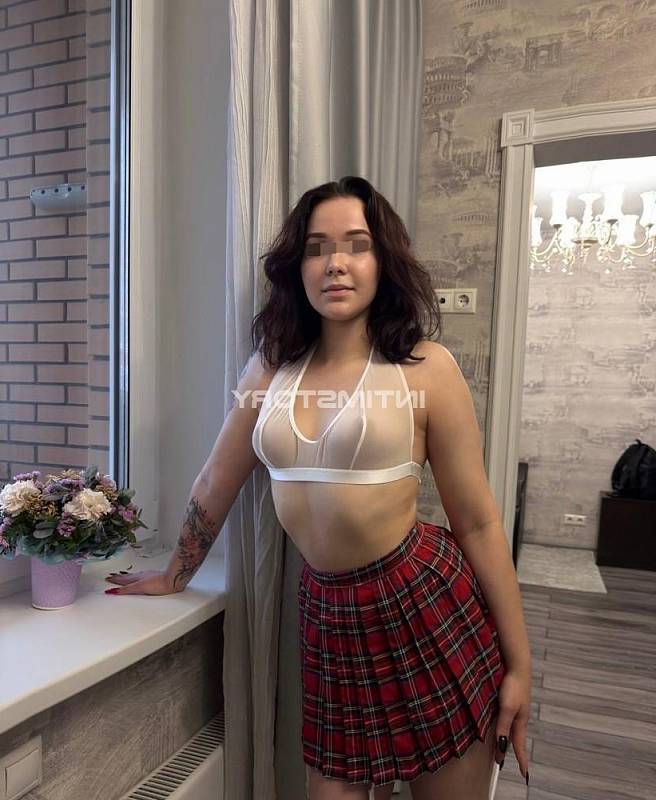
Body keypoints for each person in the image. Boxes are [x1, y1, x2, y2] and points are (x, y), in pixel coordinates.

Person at [105, 176, 532, 799]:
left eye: (357, 244)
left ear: (383, 262)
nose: (336, 262)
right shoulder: (270, 369)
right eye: (316, 247)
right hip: (331, 617)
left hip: (425, 604)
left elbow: (479, 523)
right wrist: (175, 573)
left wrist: (520, 664)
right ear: (298, 268)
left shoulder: (425, 368)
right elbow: (217, 479)